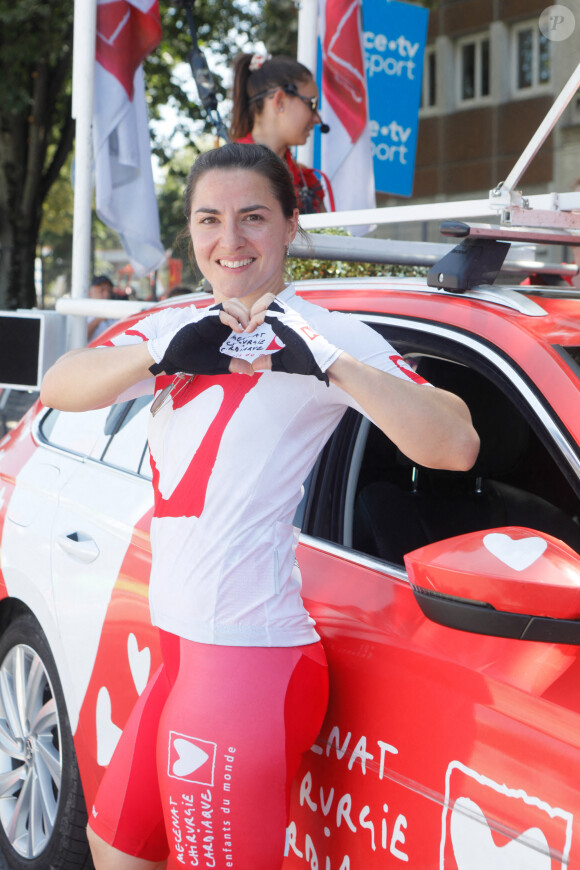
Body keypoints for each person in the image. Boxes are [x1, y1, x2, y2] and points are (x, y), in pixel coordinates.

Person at [40, 142, 479, 870]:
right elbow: (59, 386)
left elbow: (454, 443)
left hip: (247, 654)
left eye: (253, 217)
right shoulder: (176, 324)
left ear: (289, 226)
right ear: (190, 231)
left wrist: (328, 360)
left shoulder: (326, 330)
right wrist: (162, 351)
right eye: (210, 220)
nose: (231, 240)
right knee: (113, 848)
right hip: (179, 649)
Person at [231, 52, 333, 214]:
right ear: (279, 101)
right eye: (312, 105)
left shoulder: (307, 181)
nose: (317, 119)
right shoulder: (224, 171)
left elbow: (327, 237)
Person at [87, 275, 117, 341]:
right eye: (102, 290)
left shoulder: (115, 312)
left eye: (109, 291)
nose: (106, 294)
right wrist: (98, 320)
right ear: (90, 293)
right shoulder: (82, 310)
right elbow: (80, 337)